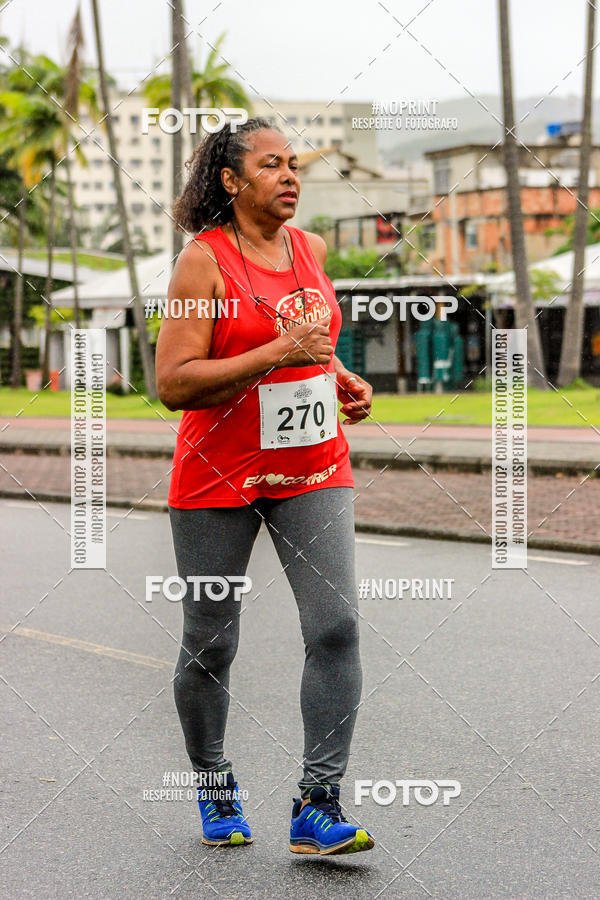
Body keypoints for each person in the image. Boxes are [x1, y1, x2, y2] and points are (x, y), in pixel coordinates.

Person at [156, 116, 374, 855]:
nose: (290, 176)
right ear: (230, 179)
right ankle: (214, 781)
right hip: (219, 475)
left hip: (313, 465)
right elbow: (174, 383)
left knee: (336, 626)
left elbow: (314, 344)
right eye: (271, 164)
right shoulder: (203, 263)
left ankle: (318, 803)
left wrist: (338, 376)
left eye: (293, 164)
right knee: (210, 644)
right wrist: (284, 349)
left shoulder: (309, 249)